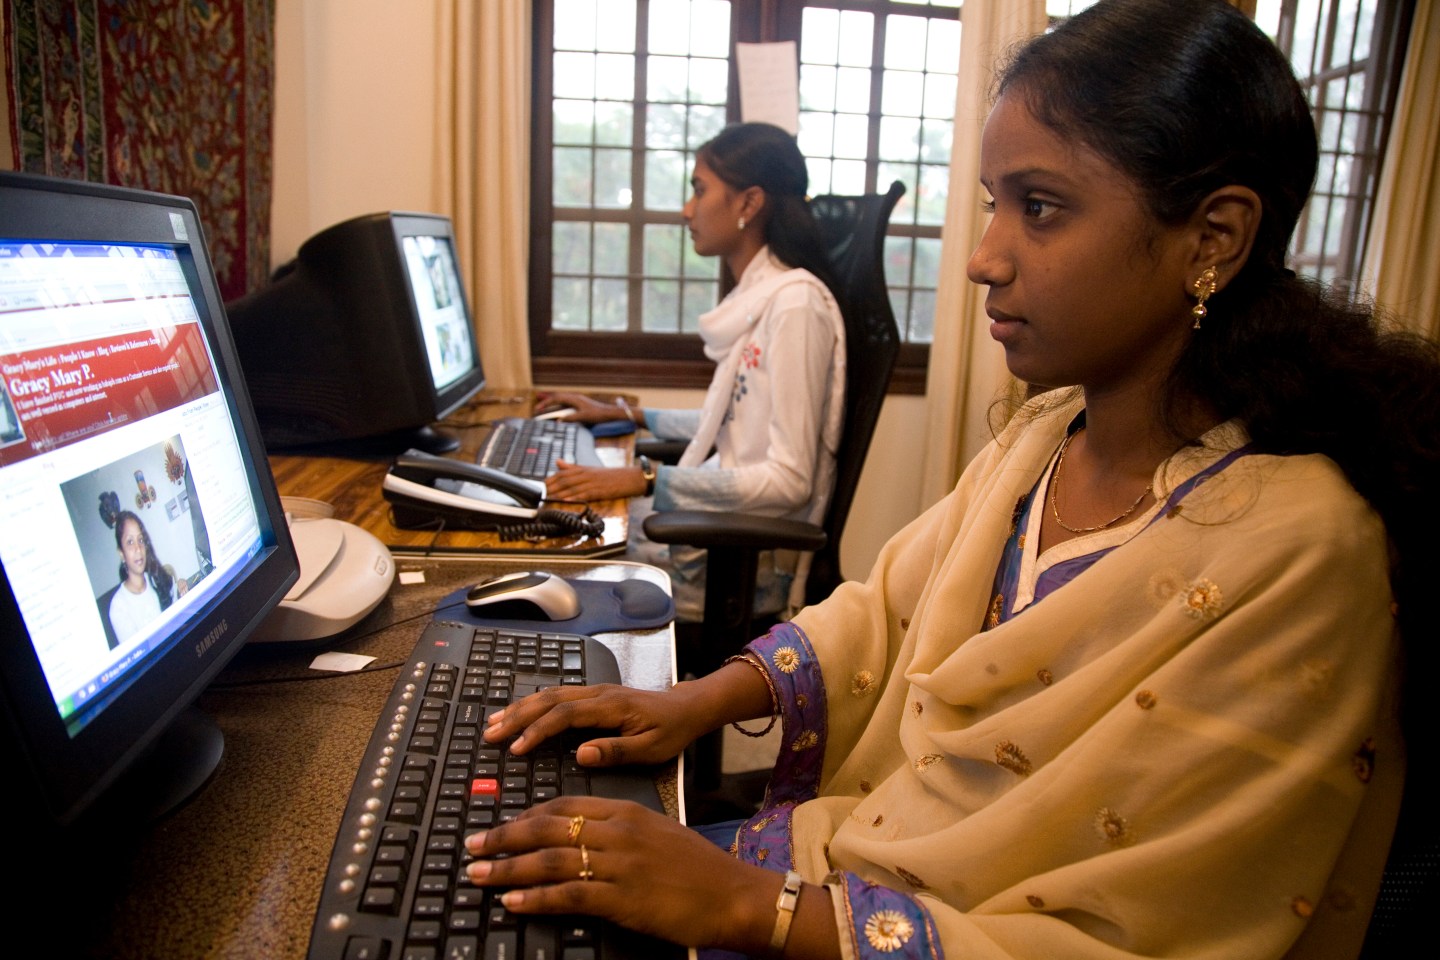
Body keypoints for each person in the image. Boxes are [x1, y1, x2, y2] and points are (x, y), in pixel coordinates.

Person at [460, 2, 1439, 957]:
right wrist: (693, 700)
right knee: (501, 892)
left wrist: (745, 908)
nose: (981, 259)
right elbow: (881, 612)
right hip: (864, 857)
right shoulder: (1048, 433)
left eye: (1040, 208)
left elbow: (1154, 928)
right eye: (990, 205)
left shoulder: (1301, 549)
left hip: (911, 925)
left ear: (1213, 239)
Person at [539, 122, 846, 621]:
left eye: (699, 190)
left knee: (569, 561)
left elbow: (791, 481)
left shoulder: (795, 306)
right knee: (566, 528)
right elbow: (725, 422)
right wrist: (627, 415)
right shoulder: (758, 297)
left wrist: (644, 479)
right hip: (713, 533)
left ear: (748, 204)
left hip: (739, 560)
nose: (687, 209)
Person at [108, 509, 186, 645]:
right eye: (130, 542)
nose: (138, 548)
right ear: (121, 553)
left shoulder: (157, 579)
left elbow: (178, 623)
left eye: (140, 540)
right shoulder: (119, 607)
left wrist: (181, 591)